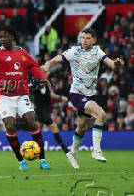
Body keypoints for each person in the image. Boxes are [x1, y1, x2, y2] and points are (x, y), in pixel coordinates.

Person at [42, 28, 124, 168]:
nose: (84, 40)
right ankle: (96, 151)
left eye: (87, 38)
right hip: (77, 94)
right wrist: (47, 64)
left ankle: (72, 153)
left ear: (94, 40)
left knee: (82, 128)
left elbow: (111, 64)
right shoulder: (74, 51)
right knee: (101, 114)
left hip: (89, 94)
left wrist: (116, 64)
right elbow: (57, 59)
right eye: (82, 38)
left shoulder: (98, 51)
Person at [0, 25, 51, 170]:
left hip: (22, 94)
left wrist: (42, 77)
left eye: (5, 36)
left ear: (12, 37)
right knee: (10, 125)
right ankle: (21, 160)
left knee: (32, 122)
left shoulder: (22, 52)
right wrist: (1, 82)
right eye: (0, 37)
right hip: (5, 96)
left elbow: (33, 66)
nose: (2, 39)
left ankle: (42, 160)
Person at [29, 78, 69, 153]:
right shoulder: (35, 82)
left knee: (38, 130)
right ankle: (65, 150)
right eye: (45, 71)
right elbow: (30, 91)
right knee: (53, 126)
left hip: (46, 109)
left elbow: (50, 94)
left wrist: (61, 98)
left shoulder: (46, 83)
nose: (47, 72)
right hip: (40, 110)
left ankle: (34, 149)